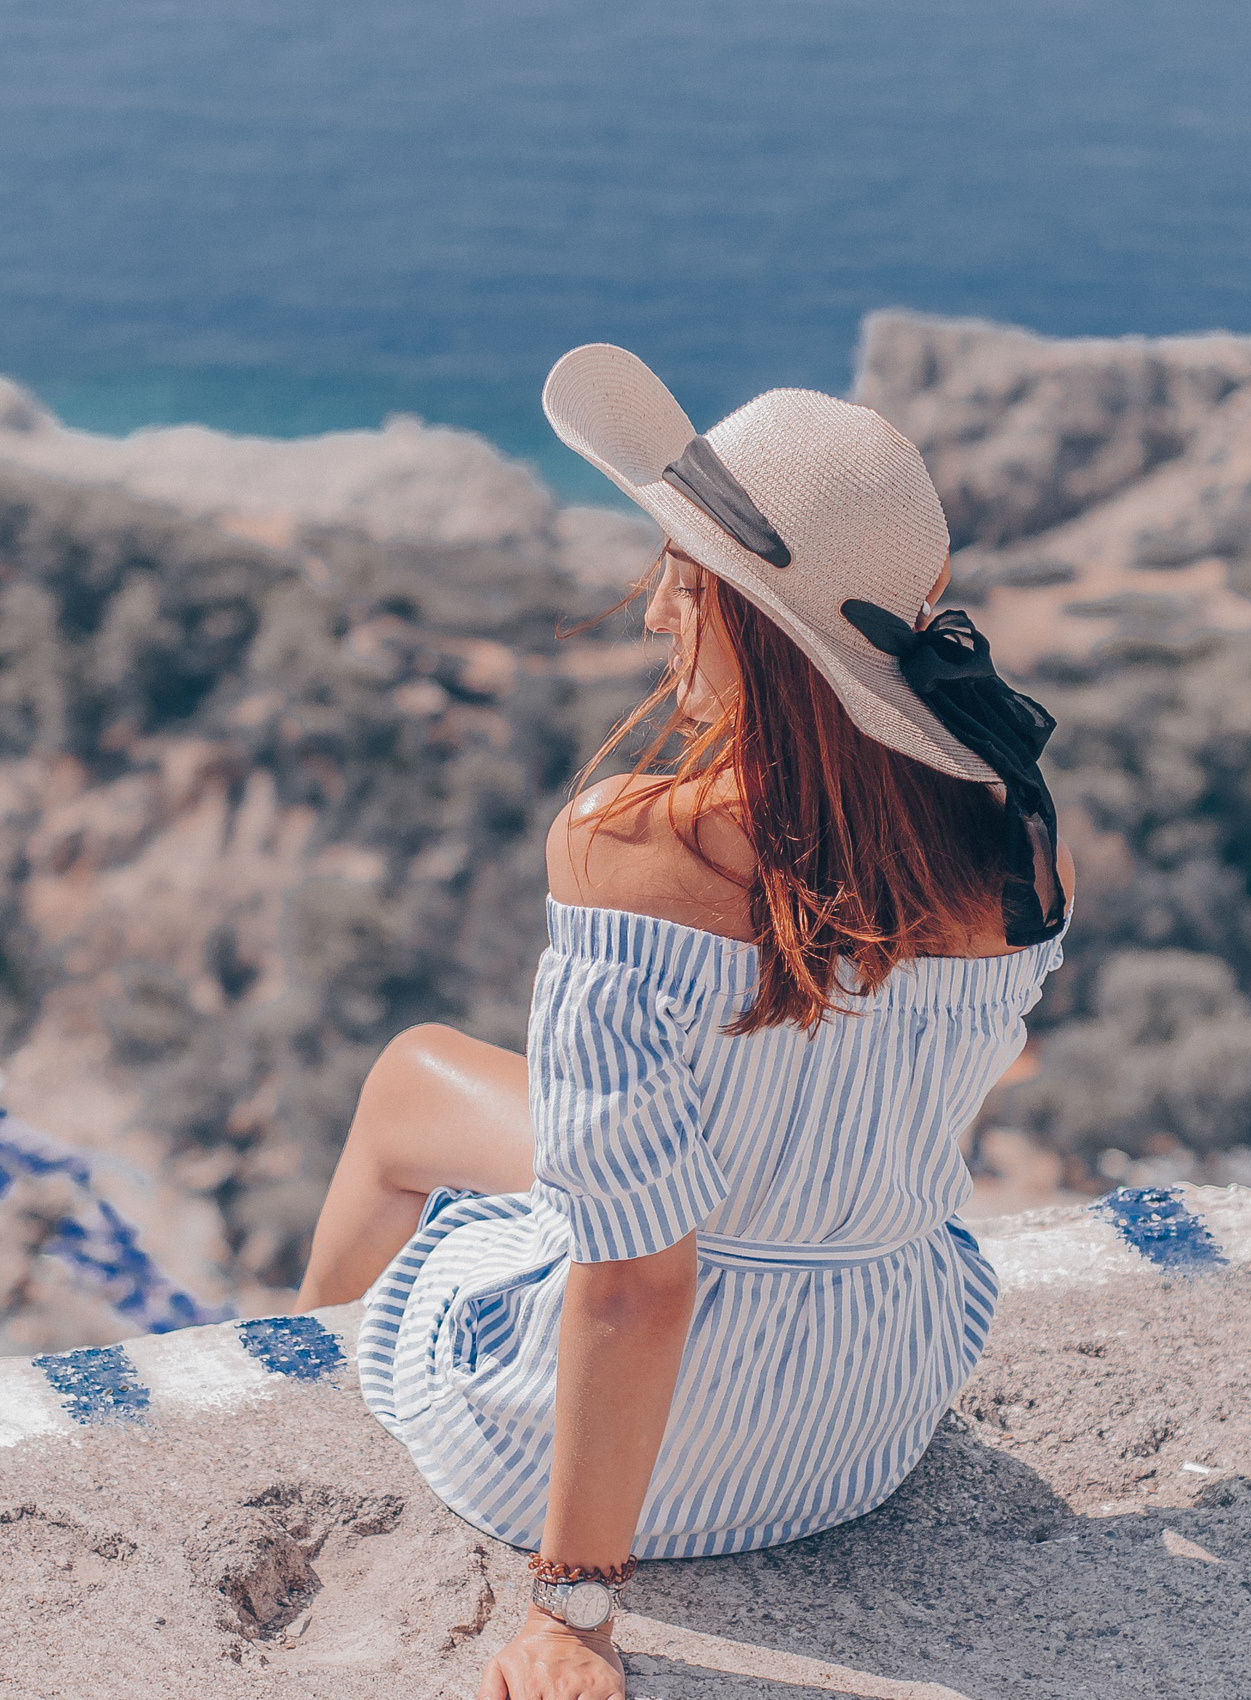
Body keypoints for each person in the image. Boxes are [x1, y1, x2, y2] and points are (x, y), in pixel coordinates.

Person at [295, 345, 1076, 1700]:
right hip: (859, 1431)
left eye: (685, 579)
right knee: (482, 1105)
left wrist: (573, 1612)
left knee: (414, 1076)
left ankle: (284, 1375)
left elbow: (639, 1281)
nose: (658, 614)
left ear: (757, 624)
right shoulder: (1021, 850)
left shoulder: (628, 847)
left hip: (598, 1455)